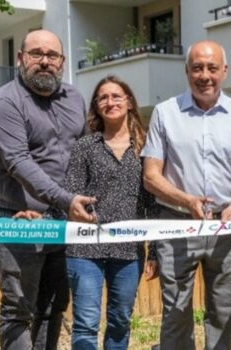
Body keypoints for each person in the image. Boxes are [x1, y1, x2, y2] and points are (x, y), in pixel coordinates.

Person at [141, 40, 231, 350]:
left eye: (212, 68)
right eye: (197, 68)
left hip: (225, 224)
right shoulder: (165, 113)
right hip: (176, 223)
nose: (205, 75)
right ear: (187, 71)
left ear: (225, 71)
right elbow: (151, 175)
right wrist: (187, 200)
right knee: (176, 310)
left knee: (223, 308)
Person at [0, 29, 96, 349]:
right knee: (19, 310)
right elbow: (18, 162)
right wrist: (67, 199)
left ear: (62, 61)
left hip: (60, 220)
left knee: (53, 305)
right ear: (21, 58)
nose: (45, 62)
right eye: (36, 54)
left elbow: (84, 150)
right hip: (16, 219)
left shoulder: (74, 98)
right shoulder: (4, 103)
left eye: (52, 55)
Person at [62, 75, 158, 350]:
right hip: (85, 249)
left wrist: (154, 251)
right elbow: (71, 192)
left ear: (129, 102)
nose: (110, 101)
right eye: (103, 97)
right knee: (86, 323)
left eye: (116, 96)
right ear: (96, 106)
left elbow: (153, 202)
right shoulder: (84, 147)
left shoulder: (146, 148)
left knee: (119, 321)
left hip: (129, 250)